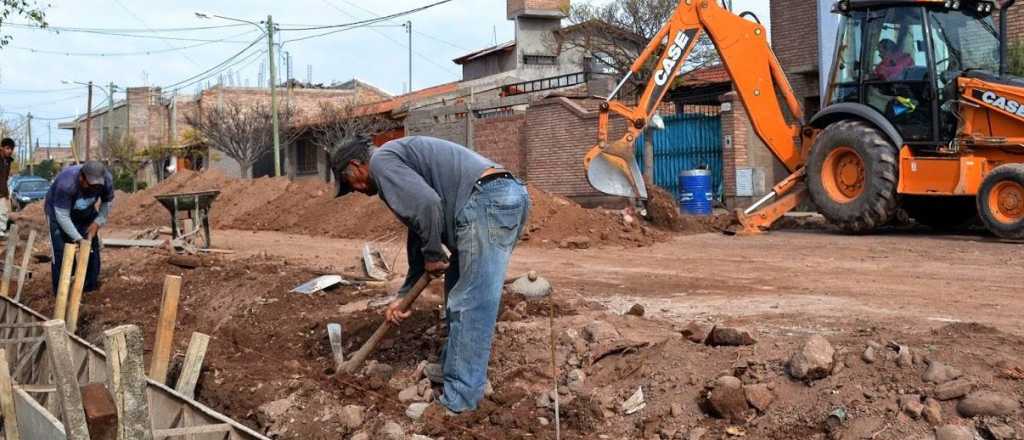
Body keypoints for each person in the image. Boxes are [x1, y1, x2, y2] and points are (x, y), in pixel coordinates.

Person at [331, 135, 530, 415]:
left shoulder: (383, 163)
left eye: (349, 183)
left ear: (356, 165)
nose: (356, 190)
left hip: (487, 201)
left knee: (472, 302)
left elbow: (427, 205)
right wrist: (403, 297)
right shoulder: (395, 160)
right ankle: (456, 368)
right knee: (458, 293)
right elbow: (420, 231)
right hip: (494, 197)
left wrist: (434, 255)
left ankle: (459, 401)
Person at [44, 161, 114, 295]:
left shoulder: (106, 180)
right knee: (61, 250)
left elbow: (107, 202)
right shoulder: (66, 184)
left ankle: (88, 288)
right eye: (90, 185)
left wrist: (97, 223)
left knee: (91, 248)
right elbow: (62, 216)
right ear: (81, 177)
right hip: (58, 212)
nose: (94, 189)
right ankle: (61, 292)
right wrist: (78, 239)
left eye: (97, 187)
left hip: (86, 212)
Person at [0, 138, 14, 238]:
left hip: (2, 191)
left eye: (11, 149)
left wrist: (6, 193)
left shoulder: (8, 161)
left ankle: (1, 232)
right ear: (2, 148)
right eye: (7, 148)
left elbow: (4, 179)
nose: (9, 151)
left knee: (3, 211)